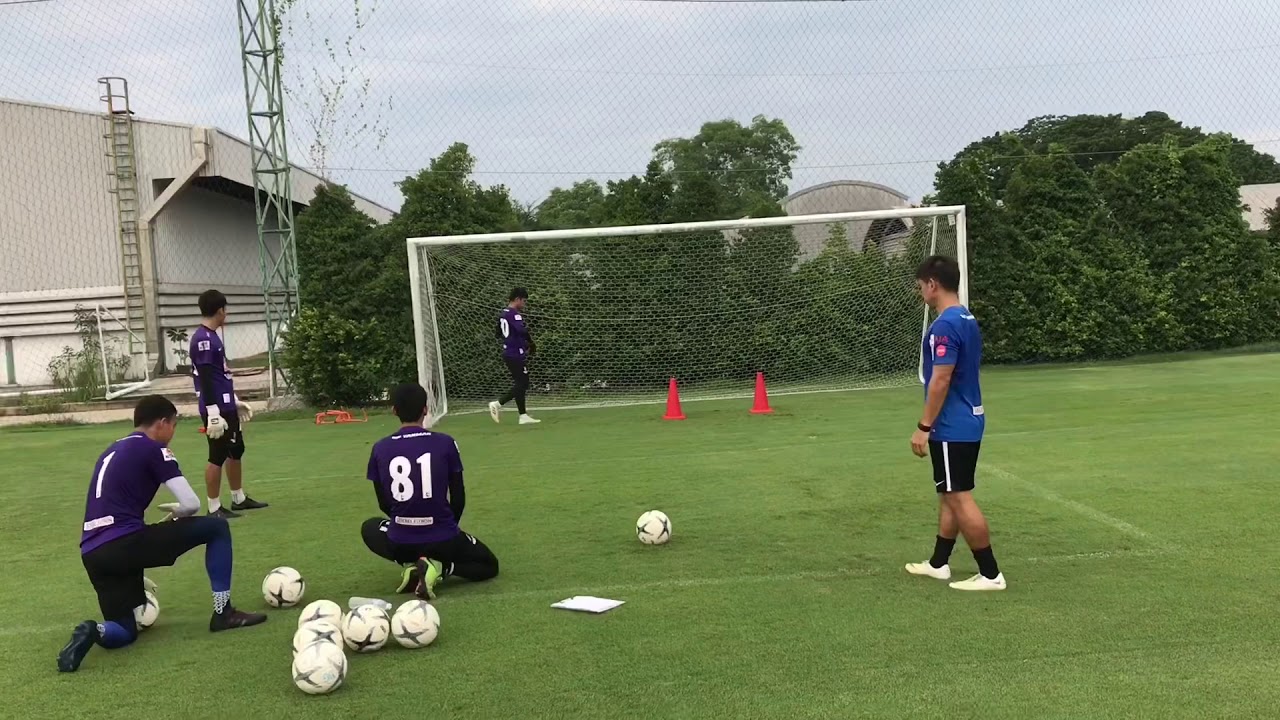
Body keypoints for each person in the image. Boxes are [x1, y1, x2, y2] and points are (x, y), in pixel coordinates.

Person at [58, 396, 267, 673]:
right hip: (126, 543)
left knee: (124, 630)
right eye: (174, 425)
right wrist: (179, 512)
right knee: (217, 528)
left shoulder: (110, 450)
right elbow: (192, 503)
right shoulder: (154, 449)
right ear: (162, 423)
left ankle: (92, 630)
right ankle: (223, 612)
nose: (173, 433)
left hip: (93, 553)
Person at [905, 255, 1006, 591]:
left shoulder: (946, 325)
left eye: (921, 286)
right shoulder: (966, 317)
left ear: (932, 284)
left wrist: (923, 426)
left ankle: (990, 574)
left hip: (952, 425)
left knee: (959, 496)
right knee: (949, 493)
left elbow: (940, 380)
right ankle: (939, 563)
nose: (921, 292)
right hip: (968, 419)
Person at [362, 383, 500, 599]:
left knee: (370, 528)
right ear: (426, 409)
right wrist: (447, 527)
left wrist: (405, 523)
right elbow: (458, 498)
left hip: (401, 541)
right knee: (489, 565)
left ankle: (411, 563)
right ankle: (441, 567)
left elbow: (383, 502)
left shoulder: (380, 447)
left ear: (394, 411)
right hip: (443, 538)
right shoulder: (445, 443)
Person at [190, 289, 268, 517]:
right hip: (216, 408)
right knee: (217, 454)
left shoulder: (212, 336)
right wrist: (213, 412)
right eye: (226, 309)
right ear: (220, 310)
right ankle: (214, 507)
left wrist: (234, 401)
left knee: (236, 449)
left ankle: (238, 498)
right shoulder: (203, 339)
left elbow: (218, 375)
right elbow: (204, 377)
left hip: (225, 404)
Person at [488, 287, 540, 425]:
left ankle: (523, 416)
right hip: (515, 353)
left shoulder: (502, 314)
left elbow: (498, 334)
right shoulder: (513, 314)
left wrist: (512, 339)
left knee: (520, 383)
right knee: (523, 383)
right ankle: (497, 404)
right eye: (523, 301)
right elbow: (521, 330)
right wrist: (531, 343)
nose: (524, 304)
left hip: (508, 352)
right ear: (517, 299)